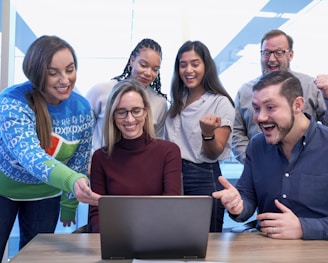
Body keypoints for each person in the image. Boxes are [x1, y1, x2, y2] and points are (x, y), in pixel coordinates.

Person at [0, 35, 101, 259]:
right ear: (37, 72)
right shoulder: (12, 101)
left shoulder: (81, 107)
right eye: (53, 72)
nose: (65, 79)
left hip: (45, 196)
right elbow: (30, 156)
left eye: (70, 69)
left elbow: (80, 160)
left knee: (34, 257)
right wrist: (72, 181)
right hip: (3, 191)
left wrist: (69, 204)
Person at [213, 70, 328, 240]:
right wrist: (238, 205)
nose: (260, 117)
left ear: (297, 105)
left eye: (270, 107)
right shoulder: (257, 145)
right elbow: (247, 198)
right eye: (256, 108)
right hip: (266, 247)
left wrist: (304, 228)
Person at [88, 79, 182, 233]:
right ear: (112, 115)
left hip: (158, 236)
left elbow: (169, 207)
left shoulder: (169, 152)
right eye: (121, 112)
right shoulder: (100, 157)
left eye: (136, 111)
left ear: (145, 112)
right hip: (115, 237)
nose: (129, 119)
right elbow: (96, 214)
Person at [165, 40, 235, 232]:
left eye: (195, 64)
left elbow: (214, 153)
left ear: (206, 66)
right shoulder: (178, 101)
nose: (189, 70)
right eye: (183, 64)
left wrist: (207, 133)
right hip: (173, 175)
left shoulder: (220, 103)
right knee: (173, 239)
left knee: (205, 243)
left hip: (203, 177)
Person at [232, 29, 328, 164]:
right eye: (266, 53)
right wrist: (253, 160)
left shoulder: (311, 86)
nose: (271, 59)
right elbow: (236, 133)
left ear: (291, 55)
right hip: (262, 169)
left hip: (306, 167)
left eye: (278, 53)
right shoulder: (246, 91)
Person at [86, 38, 168, 153]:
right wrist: (89, 161)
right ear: (132, 60)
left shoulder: (160, 103)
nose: (148, 73)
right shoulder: (101, 91)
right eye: (143, 65)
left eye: (155, 69)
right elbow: (83, 132)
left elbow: (155, 142)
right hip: (101, 163)